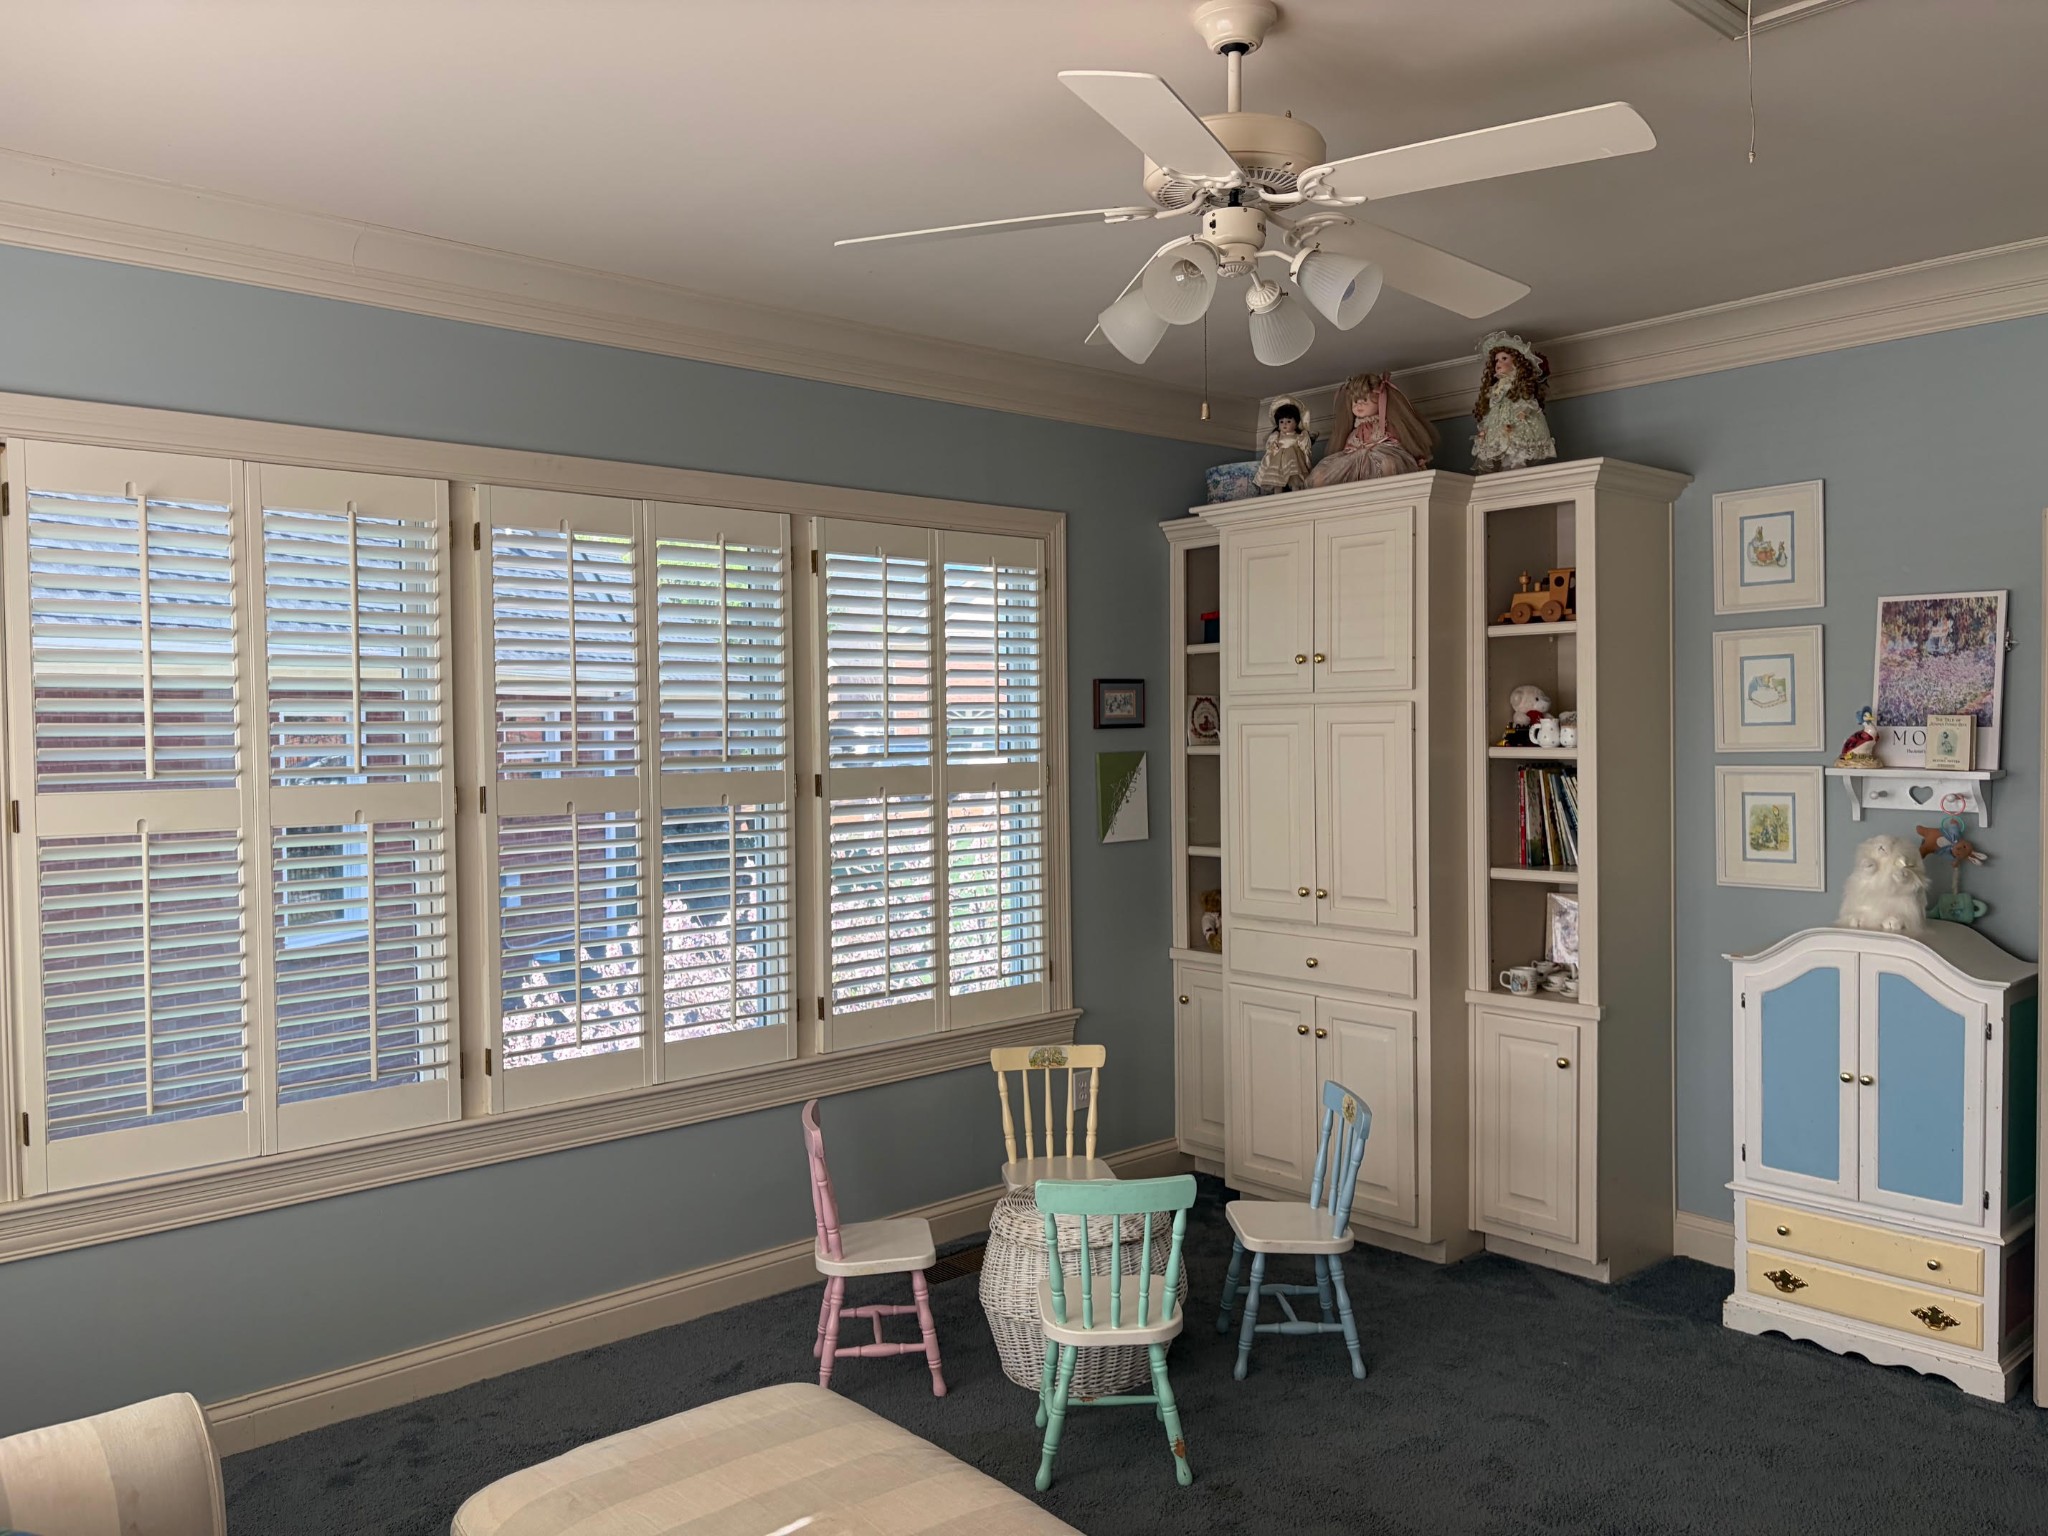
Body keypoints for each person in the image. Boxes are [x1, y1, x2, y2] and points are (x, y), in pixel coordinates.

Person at [1303, 372, 1438, 486]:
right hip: (1356, 459)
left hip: (1380, 455)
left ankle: (1389, 486)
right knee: (1326, 471)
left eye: (1364, 400)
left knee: (1388, 463)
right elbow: (1347, 449)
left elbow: (1401, 441)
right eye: (1355, 401)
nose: (1359, 405)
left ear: (1380, 400)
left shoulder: (1385, 425)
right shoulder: (1354, 431)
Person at [1471, 331, 1558, 474]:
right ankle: (1507, 465)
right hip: (1500, 421)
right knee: (1501, 445)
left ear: (1516, 362)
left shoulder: (1518, 384)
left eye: (1504, 358)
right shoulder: (1496, 387)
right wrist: (1486, 427)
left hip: (1517, 418)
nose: (1498, 363)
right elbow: (1493, 406)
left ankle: (1517, 464)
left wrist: (1524, 411)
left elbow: (1527, 401)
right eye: (1497, 360)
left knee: (1517, 443)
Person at [1254, 397, 1314, 493]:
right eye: (1281, 422)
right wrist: (1274, 448)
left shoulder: (1299, 436)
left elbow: (1304, 449)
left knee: (1294, 474)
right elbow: (1271, 449)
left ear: (1296, 423)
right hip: (1279, 460)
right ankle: (1277, 491)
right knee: (1277, 476)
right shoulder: (1276, 436)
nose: (1284, 424)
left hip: (1293, 458)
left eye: (1288, 421)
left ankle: (1296, 488)